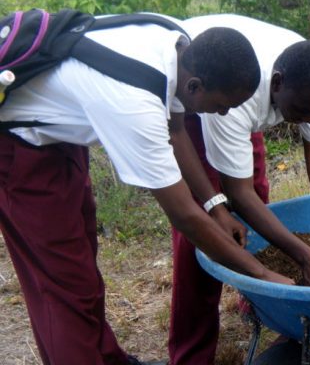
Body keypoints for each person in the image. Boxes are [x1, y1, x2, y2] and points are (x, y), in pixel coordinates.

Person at [0, 18, 273, 365]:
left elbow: (177, 131)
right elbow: (184, 216)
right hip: (17, 147)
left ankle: (108, 358)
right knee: (60, 287)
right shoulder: (134, 101)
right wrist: (262, 274)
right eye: (221, 105)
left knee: (81, 264)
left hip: (58, 136)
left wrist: (218, 208)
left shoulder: (177, 45)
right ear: (195, 87)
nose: (223, 113)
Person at [168, 14, 310, 365]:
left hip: (246, 102)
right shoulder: (234, 100)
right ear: (278, 82)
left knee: (258, 199)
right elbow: (235, 193)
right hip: (204, 97)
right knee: (206, 228)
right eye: (303, 111)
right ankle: (191, 352)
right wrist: (306, 257)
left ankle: (258, 301)